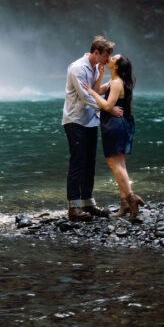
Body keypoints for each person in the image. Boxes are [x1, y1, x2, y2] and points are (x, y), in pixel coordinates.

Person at [62, 36, 123, 222]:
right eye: (105, 56)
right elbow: (86, 97)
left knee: (90, 163)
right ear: (96, 52)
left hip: (90, 120)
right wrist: (108, 108)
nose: (107, 59)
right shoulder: (77, 68)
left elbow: (95, 91)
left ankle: (88, 203)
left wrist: (104, 80)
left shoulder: (97, 66)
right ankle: (74, 208)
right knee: (78, 162)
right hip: (75, 120)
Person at [83, 53, 144, 219]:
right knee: (120, 165)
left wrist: (91, 93)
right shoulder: (114, 81)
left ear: (116, 66)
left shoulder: (117, 83)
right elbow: (98, 90)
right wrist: (100, 77)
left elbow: (107, 104)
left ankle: (132, 198)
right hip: (120, 123)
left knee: (114, 163)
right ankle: (124, 203)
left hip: (115, 125)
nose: (109, 58)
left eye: (113, 58)